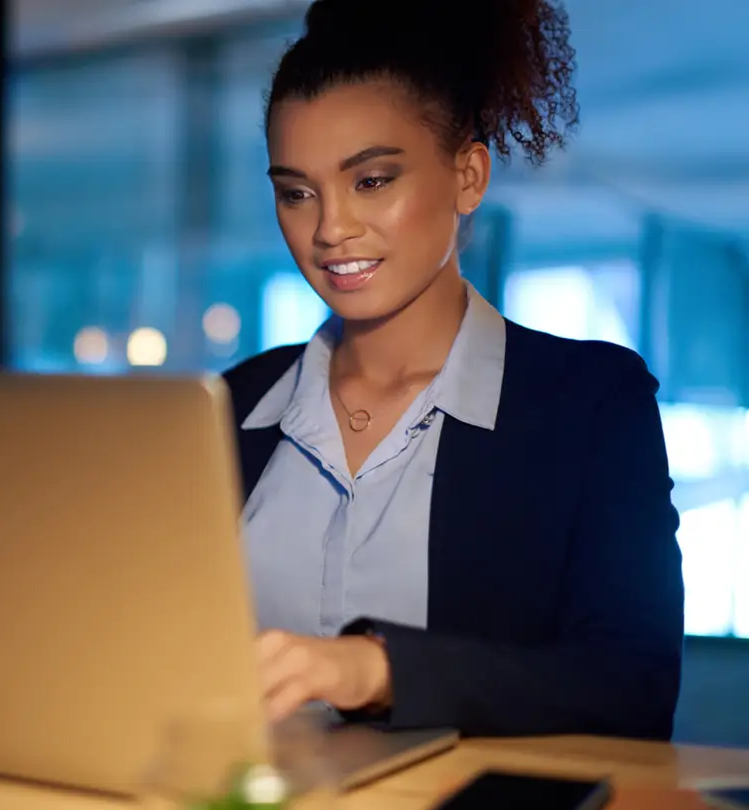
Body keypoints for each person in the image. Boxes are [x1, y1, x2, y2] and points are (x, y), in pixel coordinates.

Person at [224, 0, 683, 739]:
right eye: (295, 192)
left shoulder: (589, 404)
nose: (330, 228)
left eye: (371, 180)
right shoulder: (227, 405)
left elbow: (633, 685)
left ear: (468, 176)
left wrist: (376, 670)